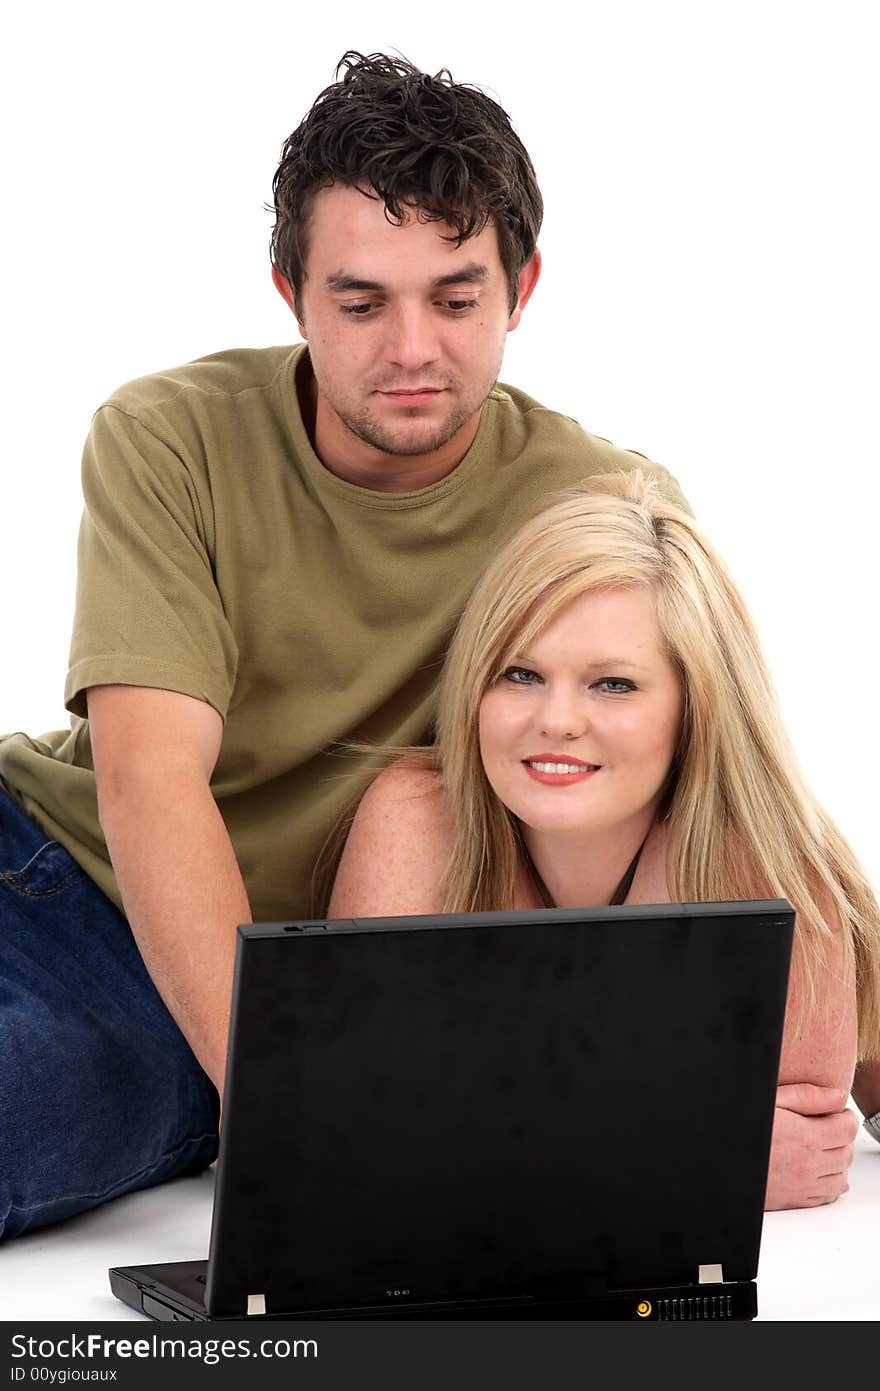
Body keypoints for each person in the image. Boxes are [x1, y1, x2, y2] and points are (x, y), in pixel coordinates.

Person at [0, 52, 689, 1240]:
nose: (411, 347)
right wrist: (306, 1115)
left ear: (521, 288)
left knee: (37, 1098)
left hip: (213, 986)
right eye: (361, 302)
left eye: (456, 297)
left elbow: (721, 778)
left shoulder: (597, 504)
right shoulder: (170, 436)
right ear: (291, 293)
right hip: (53, 857)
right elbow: (146, 781)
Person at [328, 471, 880, 1211]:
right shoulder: (416, 816)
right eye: (520, 673)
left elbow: (803, 1144)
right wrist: (688, 1144)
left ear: (697, 705)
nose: (555, 720)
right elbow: (351, 1127)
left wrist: (501, 1119)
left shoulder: (767, 862)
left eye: (612, 684)